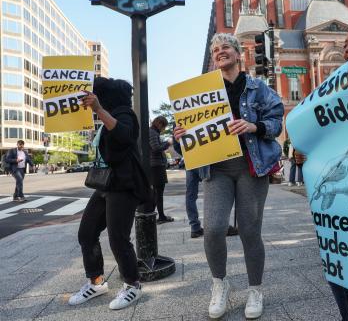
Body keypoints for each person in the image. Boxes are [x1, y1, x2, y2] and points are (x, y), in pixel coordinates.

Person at [174, 33, 283, 319]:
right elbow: (189, 139)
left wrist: (253, 126)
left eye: (224, 48)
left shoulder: (258, 87)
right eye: (214, 49)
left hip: (251, 167)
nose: (219, 52)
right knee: (212, 228)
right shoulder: (200, 94)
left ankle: (255, 289)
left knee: (249, 231)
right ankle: (219, 283)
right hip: (216, 169)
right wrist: (180, 137)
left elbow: (276, 122)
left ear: (237, 54)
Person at [69, 77, 150, 310]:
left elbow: (124, 135)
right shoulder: (106, 115)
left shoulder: (125, 113)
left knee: (118, 238)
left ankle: (132, 285)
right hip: (106, 185)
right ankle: (95, 282)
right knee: (86, 233)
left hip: (124, 185)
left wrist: (99, 109)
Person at [149, 115, 174, 224]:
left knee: (156, 193)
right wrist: (168, 143)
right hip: (156, 166)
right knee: (158, 192)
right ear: (159, 124)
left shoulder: (153, 132)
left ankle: (151, 212)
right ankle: (160, 216)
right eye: (163, 127)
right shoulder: (152, 133)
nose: (163, 130)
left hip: (156, 165)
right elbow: (156, 148)